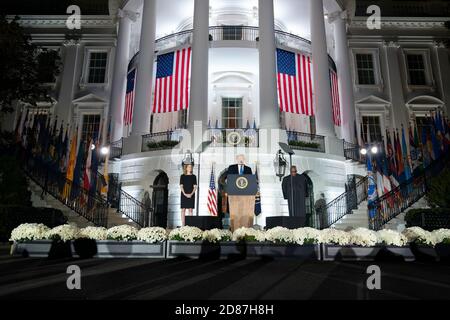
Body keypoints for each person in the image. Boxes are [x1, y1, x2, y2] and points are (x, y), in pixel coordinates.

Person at [226, 155, 254, 231]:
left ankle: (245, 228)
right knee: (235, 213)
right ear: (236, 159)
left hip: (245, 196)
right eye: (239, 158)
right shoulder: (231, 168)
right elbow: (229, 179)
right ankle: (234, 228)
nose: (241, 160)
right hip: (234, 195)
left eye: (242, 159)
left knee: (244, 213)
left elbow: (250, 182)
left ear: (244, 159)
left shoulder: (248, 169)